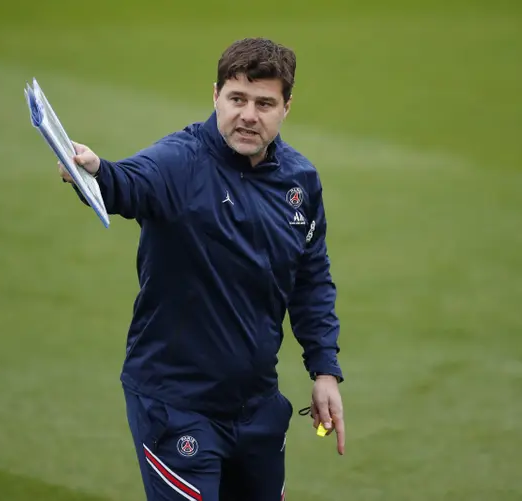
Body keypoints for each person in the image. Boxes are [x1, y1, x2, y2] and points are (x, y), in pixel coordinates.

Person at [59, 37, 345, 500]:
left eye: (264, 103)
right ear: (215, 96)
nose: (248, 115)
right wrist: (95, 171)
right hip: (177, 407)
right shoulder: (179, 162)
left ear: (286, 108)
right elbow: (126, 184)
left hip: (256, 409)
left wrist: (325, 370)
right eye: (237, 99)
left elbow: (310, 279)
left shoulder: (300, 182)